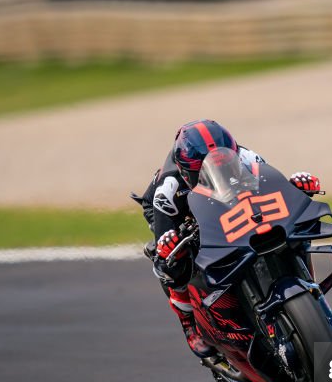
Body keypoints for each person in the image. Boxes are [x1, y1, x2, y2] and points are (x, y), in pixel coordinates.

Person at [136, 119, 321, 358]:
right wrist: (170, 248)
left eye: (226, 165)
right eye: (206, 172)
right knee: (169, 261)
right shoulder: (167, 190)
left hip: (228, 199)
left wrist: (296, 188)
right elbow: (165, 256)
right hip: (179, 213)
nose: (219, 173)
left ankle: (304, 279)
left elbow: (275, 189)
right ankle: (189, 323)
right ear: (185, 172)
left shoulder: (246, 157)